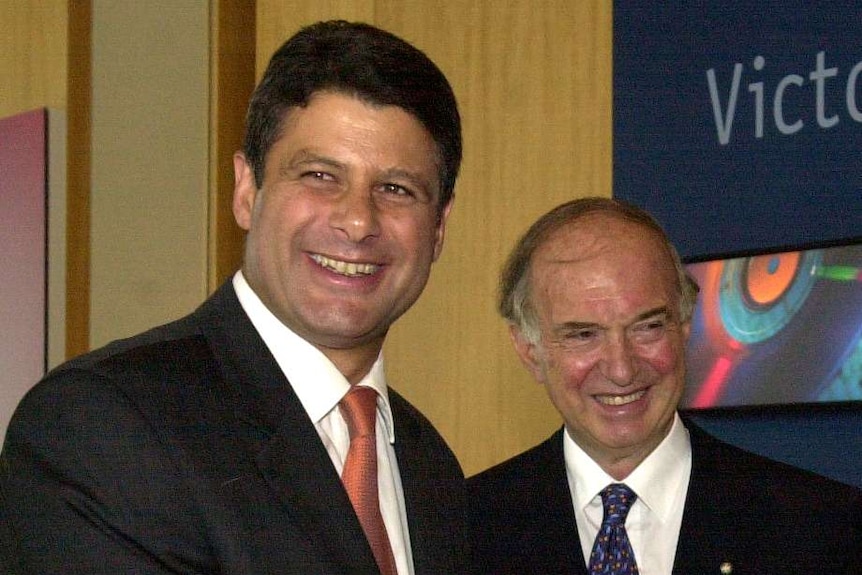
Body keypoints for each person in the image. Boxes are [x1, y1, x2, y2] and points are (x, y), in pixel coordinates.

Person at [1, 20, 469, 574]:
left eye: (396, 189)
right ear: (247, 191)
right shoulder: (101, 426)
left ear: (438, 229)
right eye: (320, 175)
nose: (358, 219)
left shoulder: (430, 467)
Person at [467, 197, 862, 574]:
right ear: (529, 350)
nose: (621, 369)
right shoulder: (462, 528)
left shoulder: (822, 528)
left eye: (648, 327)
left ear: (685, 325)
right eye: (584, 335)